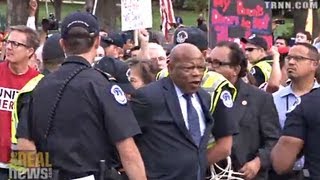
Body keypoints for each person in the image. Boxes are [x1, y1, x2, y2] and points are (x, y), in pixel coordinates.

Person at [27, 12, 146, 180]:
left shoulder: (39, 86)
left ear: (62, 44)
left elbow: (25, 143)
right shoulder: (104, 86)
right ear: (97, 42)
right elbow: (128, 150)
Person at [131, 43, 236, 180]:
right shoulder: (149, 97)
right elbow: (126, 140)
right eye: (189, 68)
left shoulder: (204, 98)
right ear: (171, 67)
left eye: (200, 68)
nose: (196, 73)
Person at [209, 41, 281, 179]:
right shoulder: (199, 96)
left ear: (235, 70)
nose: (211, 68)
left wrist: (258, 162)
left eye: (217, 63)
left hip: (243, 174)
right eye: (209, 62)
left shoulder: (260, 99)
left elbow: (274, 140)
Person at [271, 43, 320, 180]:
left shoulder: (312, 102)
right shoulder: (272, 100)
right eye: (288, 57)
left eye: (298, 58)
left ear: (314, 64)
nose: (291, 62)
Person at [0, 25, 40, 179]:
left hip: (20, 164)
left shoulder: (39, 82)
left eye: (16, 44)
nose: (9, 47)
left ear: (30, 51)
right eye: (8, 42)